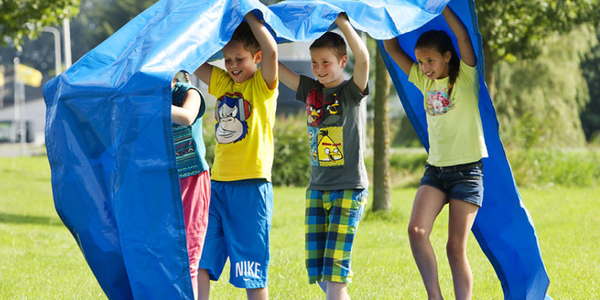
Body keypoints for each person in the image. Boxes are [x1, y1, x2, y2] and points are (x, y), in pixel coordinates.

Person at [383, 6, 488, 300]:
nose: (425, 66)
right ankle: (434, 297)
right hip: (436, 171)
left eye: (430, 60)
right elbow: (391, 46)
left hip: (467, 172)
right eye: (420, 61)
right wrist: (385, 12)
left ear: (447, 56)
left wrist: (442, 6)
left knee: (455, 247)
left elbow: (463, 36)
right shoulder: (423, 80)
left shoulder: (466, 77)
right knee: (416, 231)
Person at [278, 13, 369, 300]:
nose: (319, 69)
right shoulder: (310, 90)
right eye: (315, 63)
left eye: (326, 62)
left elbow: (364, 59)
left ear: (343, 62)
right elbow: (276, 67)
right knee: (319, 271)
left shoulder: (350, 92)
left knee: (334, 273)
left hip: (348, 188)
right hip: (316, 189)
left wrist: (342, 22)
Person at [193, 10, 278, 300]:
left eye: (239, 59)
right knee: (201, 257)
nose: (231, 65)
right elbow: (192, 60)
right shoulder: (222, 83)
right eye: (227, 60)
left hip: (251, 187)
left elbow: (271, 50)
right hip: (217, 186)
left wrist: (249, 15)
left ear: (256, 58)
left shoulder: (262, 86)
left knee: (251, 268)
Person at [170, 71, 211, 300]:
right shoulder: (147, 96)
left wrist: (150, 104)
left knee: (189, 254)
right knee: (168, 252)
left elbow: (186, 116)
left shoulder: (189, 92)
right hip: (163, 182)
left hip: (192, 180)